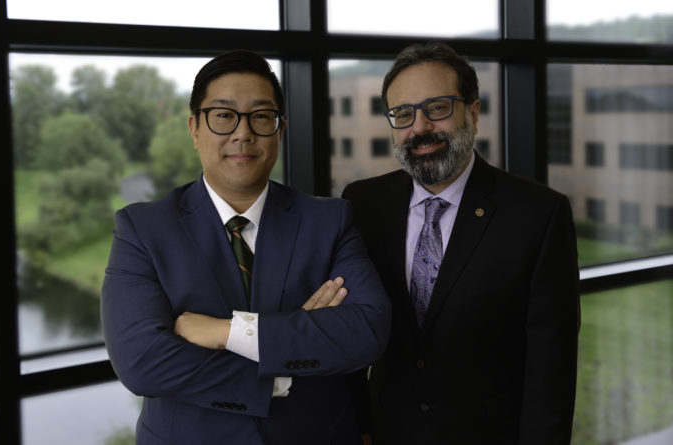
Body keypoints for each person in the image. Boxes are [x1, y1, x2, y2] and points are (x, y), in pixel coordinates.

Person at [101, 50, 391, 445]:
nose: (243, 133)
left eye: (261, 116)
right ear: (194, 128)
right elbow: (142, 363)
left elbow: (367, 331)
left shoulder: (329, 220)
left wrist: (228, 332)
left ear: (280, 130)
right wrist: (283, 367)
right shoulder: (143, 229)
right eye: (224, 115)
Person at [342, 42, 580, 444]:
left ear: (473, 112)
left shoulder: (539, 214)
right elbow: (348, 331)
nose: (420, 128)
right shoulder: (363, 203)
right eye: (403, 114)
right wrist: (358, 429)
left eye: (437, 107)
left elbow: (551, 370)